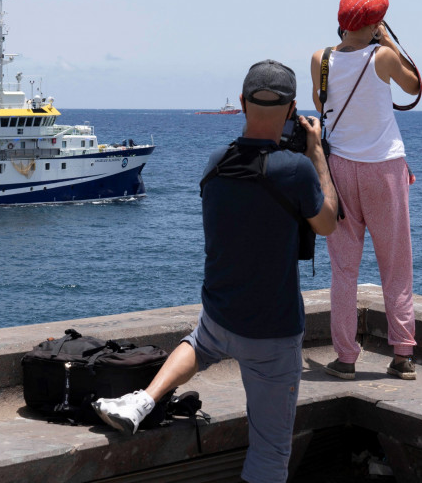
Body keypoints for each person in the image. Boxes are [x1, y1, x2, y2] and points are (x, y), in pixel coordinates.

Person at [93, 60, 339, 483]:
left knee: (199, 342)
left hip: (221, 316)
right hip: (272, 333)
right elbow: (329, 223)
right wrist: (316, 154)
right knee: (271, 452)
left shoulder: (215, 163)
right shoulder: (296, 170)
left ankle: (143, 399)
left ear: (242, 103)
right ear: (292, 107)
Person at [310, 0, 422, 381]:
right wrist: (387, 38)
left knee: (344, 269)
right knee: (396, 266)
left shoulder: (320, 58)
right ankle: (403, 353)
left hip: (339, 169)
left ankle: (345, 358)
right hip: (385, 169)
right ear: (376, 21)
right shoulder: (383, 57)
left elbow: (322, 105)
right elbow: (414, 85)